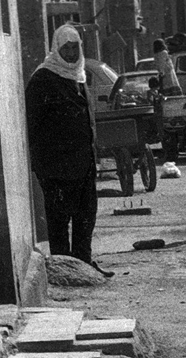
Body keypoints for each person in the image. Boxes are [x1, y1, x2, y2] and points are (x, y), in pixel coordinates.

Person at [26, 24, 113, 278]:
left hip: (83, 162)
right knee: (59, 221)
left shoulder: (79, 76)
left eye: (75, 48)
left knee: (86, 215)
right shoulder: (43, 79)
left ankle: (84, 266)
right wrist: (42, 165)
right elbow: (32, 125)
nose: (72, 53)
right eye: (67, 48)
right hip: (56, 166)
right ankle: (63, 272)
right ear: (57, 49)